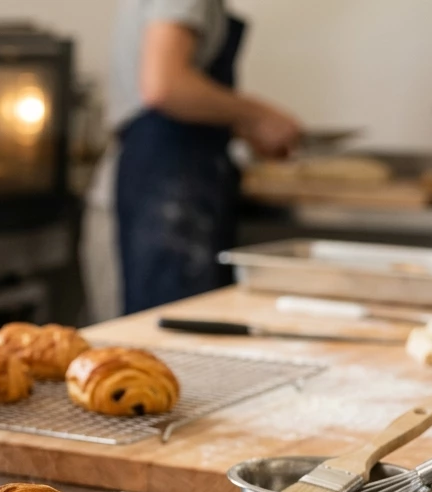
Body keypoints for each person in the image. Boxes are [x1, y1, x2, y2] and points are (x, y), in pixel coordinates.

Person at [108, 0, 302, 314]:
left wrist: (240, 125)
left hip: (168, 180)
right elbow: (164, 87)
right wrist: (258, 116)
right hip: (167, 193)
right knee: (170, 338)